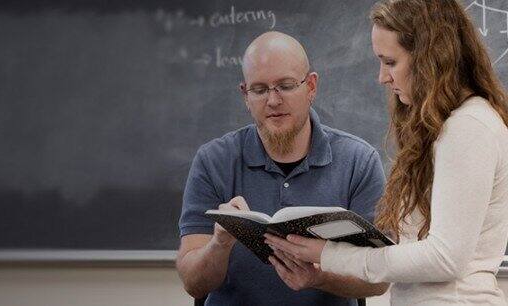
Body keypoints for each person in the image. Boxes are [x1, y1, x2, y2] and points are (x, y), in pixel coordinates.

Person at [264, 1, 508, 305]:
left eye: (390, 62)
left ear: (430, 58)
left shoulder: (468, 127)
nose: (382, 77)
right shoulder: (446, 126)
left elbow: (445, 258)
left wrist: (331, 255)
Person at [176, 31, 389, 306]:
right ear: (245, 95)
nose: (273, 101)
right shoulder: (212, 161)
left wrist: (317, 276)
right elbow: (193, 283)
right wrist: (220, 243)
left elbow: (380, 276)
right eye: (260, 89)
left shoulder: (359, 161)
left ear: (311, 87)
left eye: (286, 86)